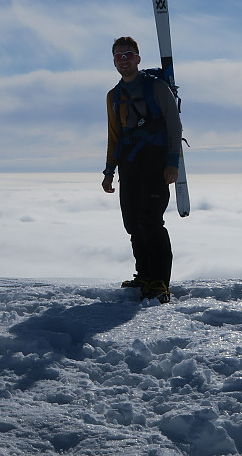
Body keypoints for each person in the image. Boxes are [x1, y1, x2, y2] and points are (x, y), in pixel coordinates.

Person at [101, 36, 183, 302]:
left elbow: (174, 125)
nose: (123, 60)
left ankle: (160, 281)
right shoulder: (113, 96)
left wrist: (173, 163)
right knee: (133, 221)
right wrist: (109, 171)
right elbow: (114, 135)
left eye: (128, 54)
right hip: (129, 163)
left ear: (138, 58)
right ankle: (144, 275)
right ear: (114, 61)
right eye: (118, 56)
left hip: (156, 160)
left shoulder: (156, 88)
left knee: (151, 220)